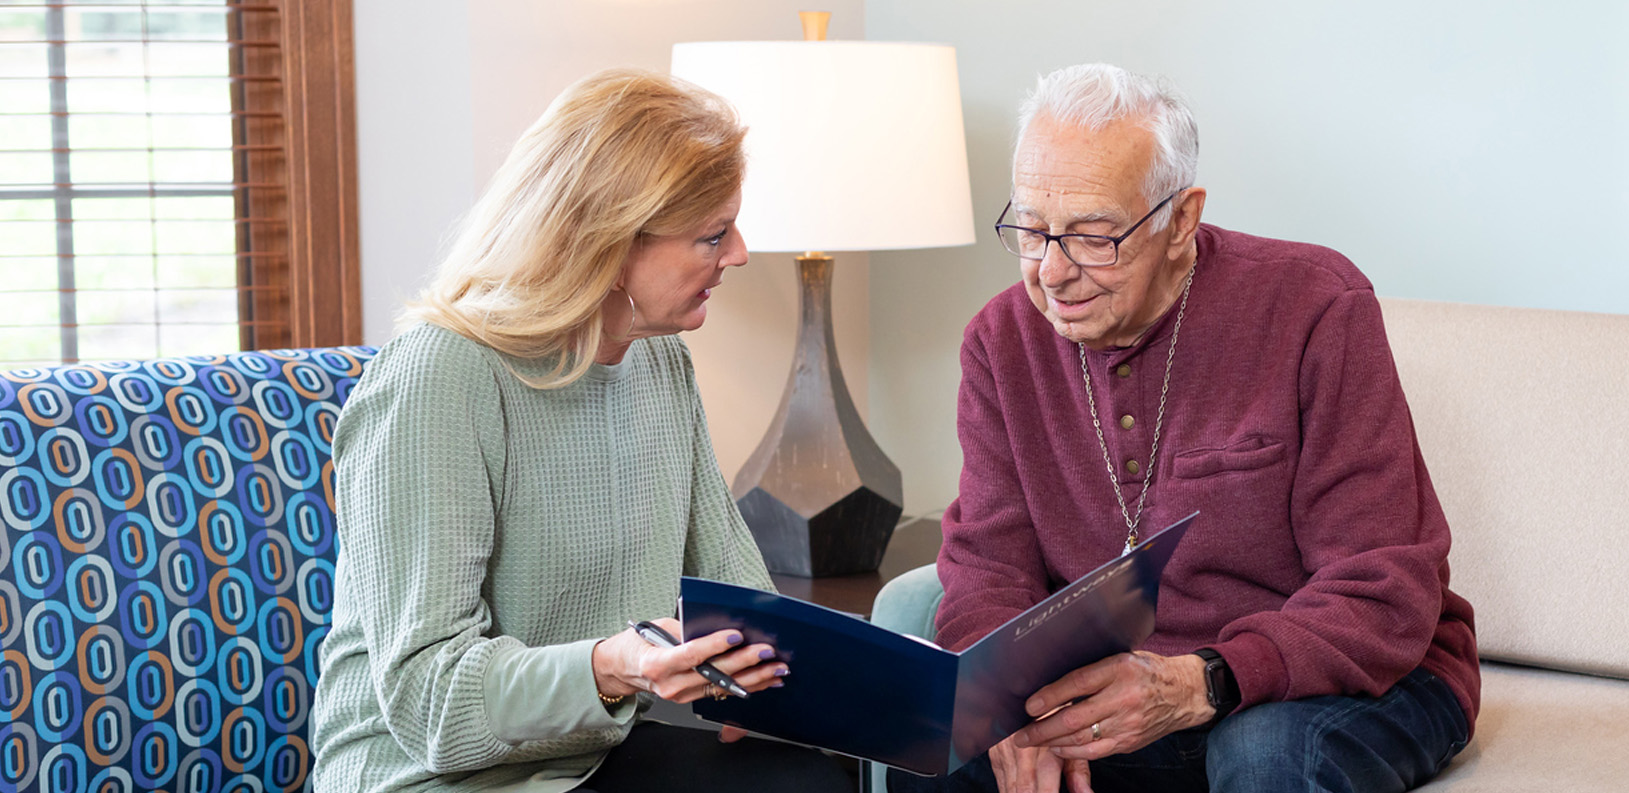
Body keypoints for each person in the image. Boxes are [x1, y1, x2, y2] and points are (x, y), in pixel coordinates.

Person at [891, 64, 1478, 793]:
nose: (1052, 271)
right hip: (1116, 698)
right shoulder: (1000, 342)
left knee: (1262, 755)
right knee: (933, 751)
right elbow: (988, 570)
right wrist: (1005, 707)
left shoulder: (1316, 308)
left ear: (1181, 220)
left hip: (1345, 677)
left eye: (1092, 236)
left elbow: (1383, 586)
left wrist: (1202, 681)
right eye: (1033, 230)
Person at [310, 69, 853, 793]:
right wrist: (612, 664)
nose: (740, 253)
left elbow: (734, 584)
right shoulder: (440, 378)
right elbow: (427, 700)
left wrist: (802, 676)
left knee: (817, 781)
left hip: (589, 756)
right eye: (712, 235)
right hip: (426, 775)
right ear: (611, 242)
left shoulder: (659, 360)